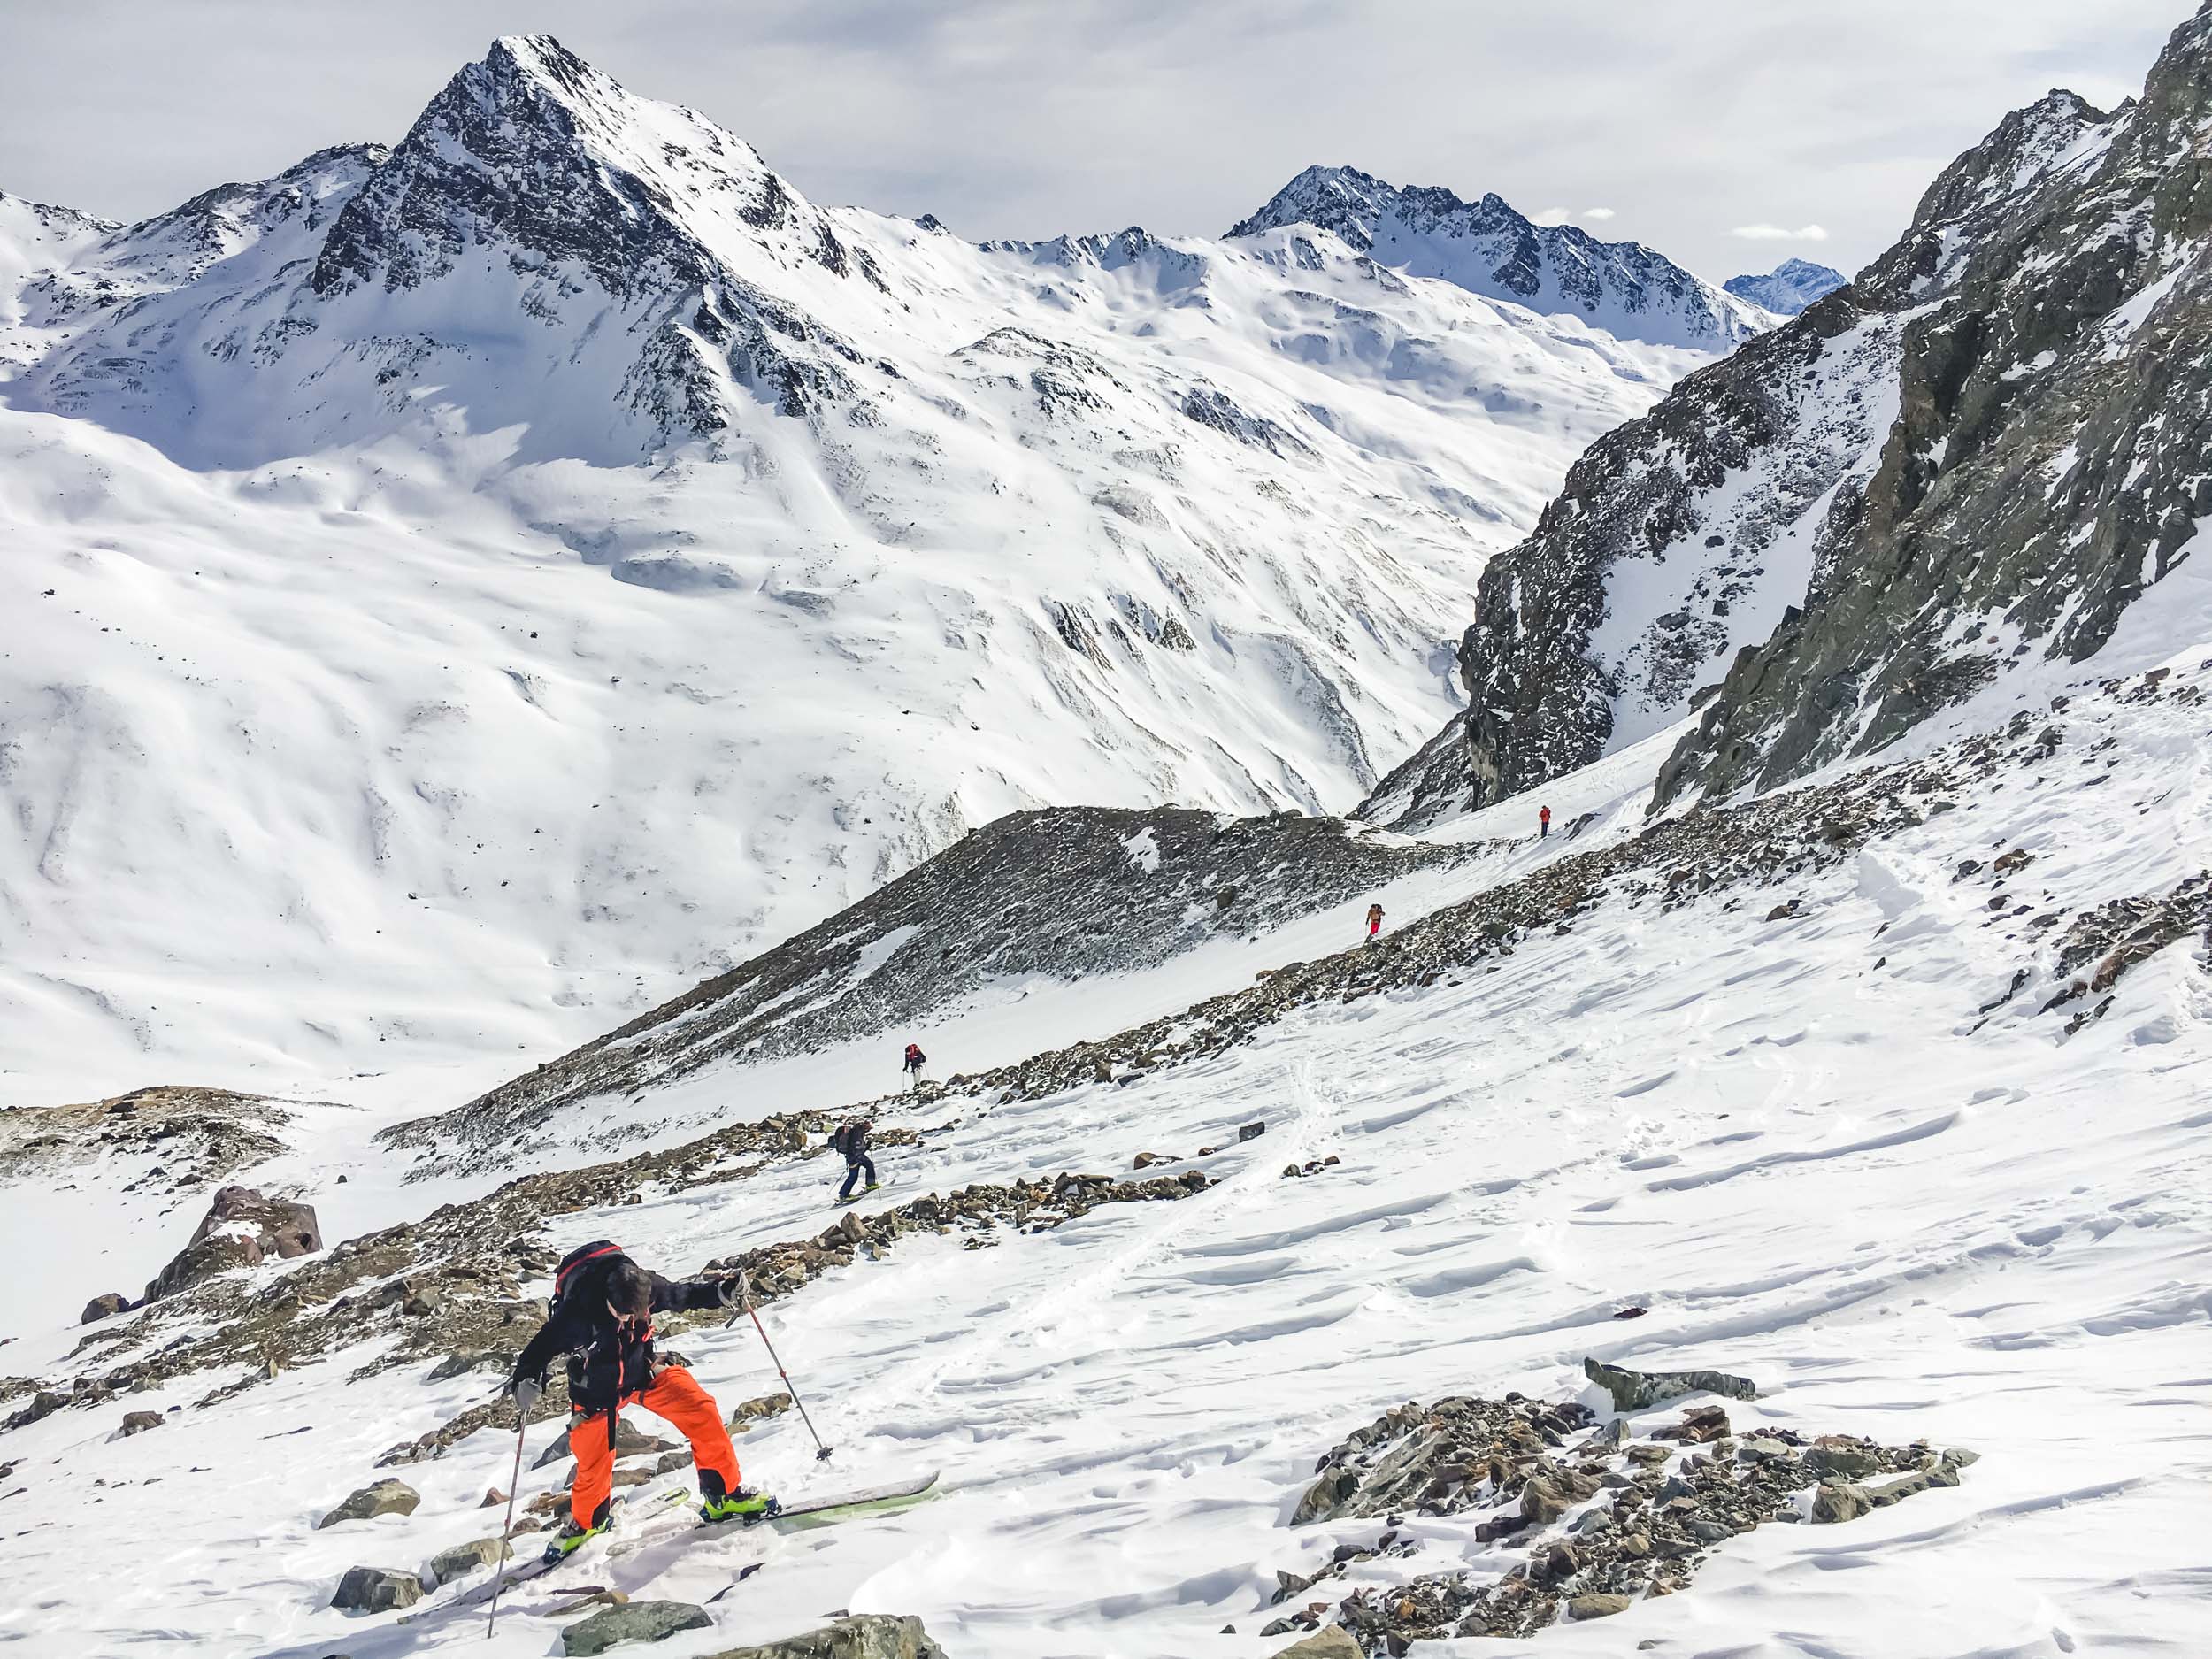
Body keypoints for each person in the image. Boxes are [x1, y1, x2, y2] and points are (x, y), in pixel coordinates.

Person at [509, 1240, 769, 1561]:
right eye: (621, 1314)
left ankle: (724, 1496)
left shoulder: (647, 1287)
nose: (627, 1319)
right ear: (608, 1300)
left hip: (640, 1371)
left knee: (701, 1410)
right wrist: (527, 1380)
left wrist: (721, 1292)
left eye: (637, 1314)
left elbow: (683, 1295)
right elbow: (538, 1351)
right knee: (593, 1459)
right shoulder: (575, 1314)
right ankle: (588, 1524)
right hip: (596, 1390)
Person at [833, 1118, 879, 1200]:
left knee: (853, 1177)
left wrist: (866, 1146)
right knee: (869, 1165)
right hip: (856, 1157)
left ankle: (843, 1195)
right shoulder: (857, 1132)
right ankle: (870, 1184)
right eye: (868, 1128)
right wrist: (862, 1151)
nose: (868, 1130)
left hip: (851, 1157)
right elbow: (856, 1146)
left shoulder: (856, 1131)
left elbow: (856, 1146)